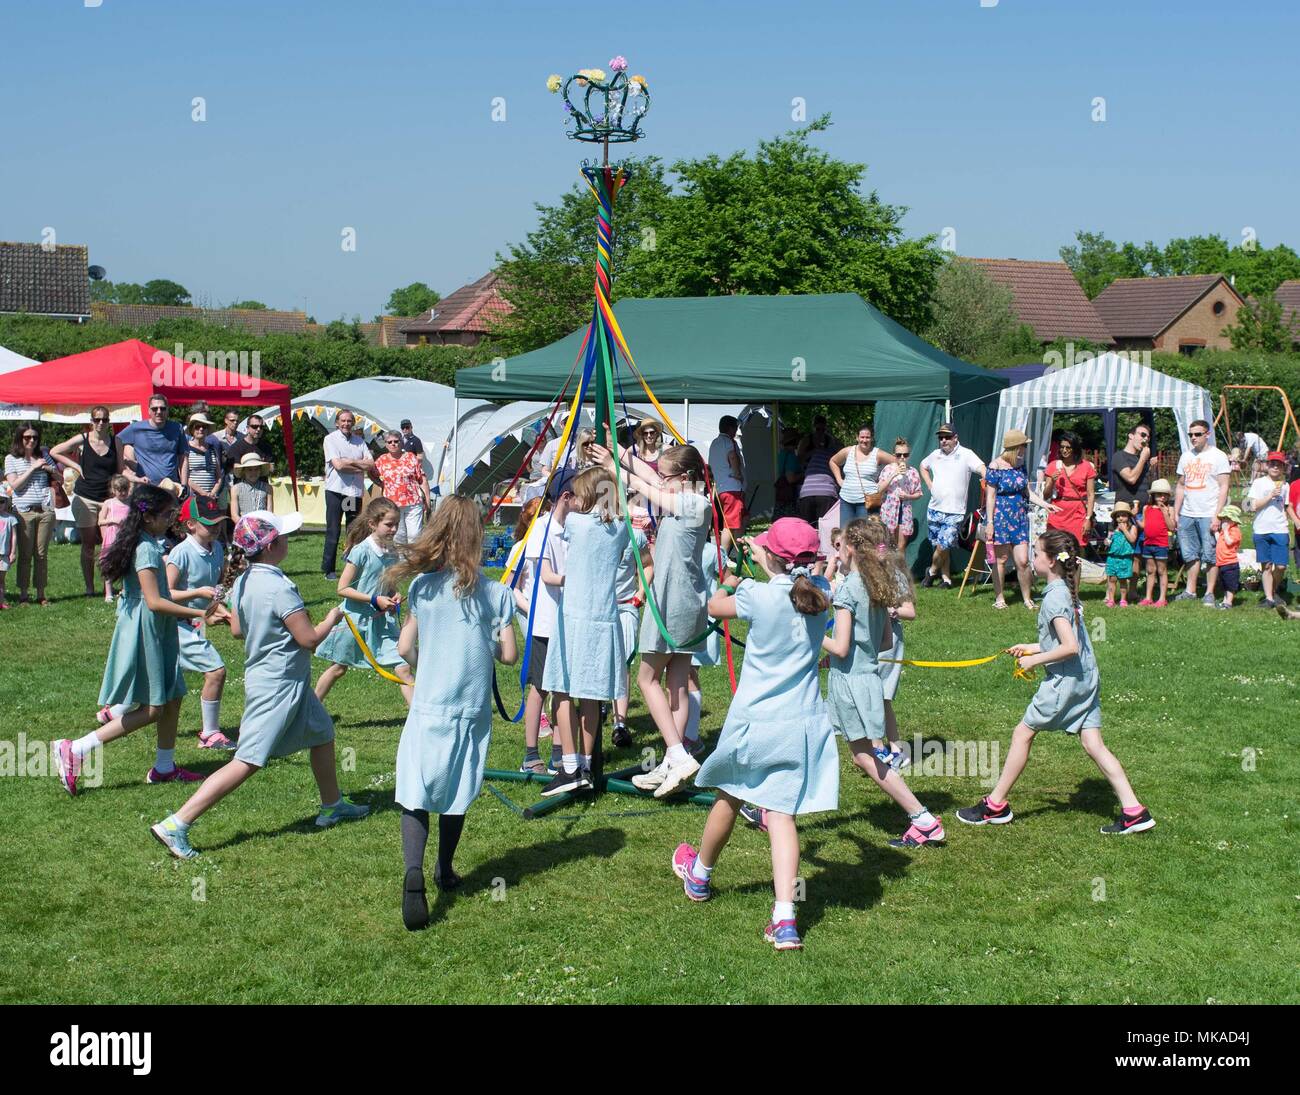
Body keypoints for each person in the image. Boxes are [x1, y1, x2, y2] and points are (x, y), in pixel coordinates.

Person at [149, 511, 370, 859]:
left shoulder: (245, 579)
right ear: (270, 547)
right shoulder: (280, 587)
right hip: (278, 686)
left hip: (282, 680)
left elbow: (238, 630)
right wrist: (332, 617)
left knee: (323, 733)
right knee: (248, 760)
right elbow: (309, 640)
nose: (288, 541)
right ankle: (177, 823)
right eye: (283, 537)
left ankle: (332, 805)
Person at [672, 518, 837, 952]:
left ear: (772, 556)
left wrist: (731, 575)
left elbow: (714, 607)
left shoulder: (756, 595)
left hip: (755, 721)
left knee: (729, 793)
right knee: (781, 816)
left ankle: (700, 875)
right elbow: (805, 580)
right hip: (799, 724)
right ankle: (785, 919)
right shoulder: (822, 594)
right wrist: (766, 563)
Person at [957, 529, 1155, 836]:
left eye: (1036, 553)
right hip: (1085, 679)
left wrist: (1033, 661)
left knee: (1022, 733)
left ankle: (995, 805)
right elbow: (1066, 642)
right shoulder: (1065, 591)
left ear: (1051, 561)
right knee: (1093, 744)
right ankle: (1134, 812)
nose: (1032, 558)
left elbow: (1070, 647)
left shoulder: (1054, 599)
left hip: (1066, 682)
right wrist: (1031, 647)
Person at [390, 496, 518, 929]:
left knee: (416, 789)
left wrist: (421, 665)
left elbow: (404, 648)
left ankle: (413, 869)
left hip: (429, 705)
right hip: (470, 708)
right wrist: (491, 638)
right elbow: (508, 656)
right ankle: (444, 869)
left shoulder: (421, 588)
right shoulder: (496, 593)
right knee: (457, 789)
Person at [52, 485, 228, 796]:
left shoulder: (149, 542)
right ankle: (76, 748)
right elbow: (155, 602)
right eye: (167, 515)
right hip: (147, 629)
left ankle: (164, 768)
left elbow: (160, 597)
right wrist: (202, 613)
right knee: (153, 709)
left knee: (173, 696)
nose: (171, 520)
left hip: (160, 627)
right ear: (148, 517)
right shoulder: (145, 548)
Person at [821, 518, 945, 847]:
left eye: (842, 544)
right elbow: (886, 641)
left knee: (862, 756)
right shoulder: (874, 583)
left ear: (850, 549)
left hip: (850, 684)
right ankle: (773, 807)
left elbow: (841, 647)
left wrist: (812, 633)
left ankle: (923, 819)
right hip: (867, 679)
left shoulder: (848, 588)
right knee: (854, 751)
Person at [605, 443, 711, 800]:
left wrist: (617, 471)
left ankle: (678, 755)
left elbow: (650, 487)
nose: (661, 481)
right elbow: (651, 477)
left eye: (667, 477)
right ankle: (671, 760)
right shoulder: (683, 497)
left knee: (646, 678)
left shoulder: (696, 503)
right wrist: (618, 452)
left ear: (686, 477)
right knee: (676, 685)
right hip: (683, 602)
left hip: (673, 603)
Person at [539, 466, 631, 794]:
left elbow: (561, 520)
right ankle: (587, 764)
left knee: (561, 690)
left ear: (589, 494)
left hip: (574, 616)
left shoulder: (576, 523)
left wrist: (565, 502)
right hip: (603, 618)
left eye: (579, 493)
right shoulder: (621, 528)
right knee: (590, 694)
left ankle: (569, 766)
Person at [314, 497, 416, 705]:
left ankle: (419, 718)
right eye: (389, 524)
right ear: (372, 524)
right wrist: (374, 599)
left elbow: (387, 583)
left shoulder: (392, 552)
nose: (394, 529)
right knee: (338, 668)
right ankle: (310, 708)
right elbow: (342, 588)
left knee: (403, 667)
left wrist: (394, 594)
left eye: (396, 524)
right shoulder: (361, 551)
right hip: (354, 621)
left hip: (380, 622)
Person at [513, 475, 576, 779]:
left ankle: (559, 754)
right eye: (581, 496)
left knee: (563, 687)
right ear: (566, 497)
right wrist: (580, 579)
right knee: (540, 687)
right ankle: (530, 754)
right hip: (545, 621)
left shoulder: (571, 528)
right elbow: (547, 575)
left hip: (568, 619)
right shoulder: (541, 528)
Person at [166, 495, 235, 749]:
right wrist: (197, 593)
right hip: (174, 624)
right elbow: (165, 594)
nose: (216, 527)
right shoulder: (181, 553)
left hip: (194, 623)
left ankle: (114, 712)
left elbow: (214, 592)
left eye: (218, 521)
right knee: (216, 671)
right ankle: (210, 733)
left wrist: (223, 611)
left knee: (164, 680)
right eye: (209, 523)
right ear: (190, 524)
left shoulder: (216, 549)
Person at [51, 405, 121, 597]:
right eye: (97, 419)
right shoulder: (82, 439)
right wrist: (76, 466)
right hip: (85, 498)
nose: (101, 423)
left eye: (104, 419)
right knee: (88, 545)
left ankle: (109, 588)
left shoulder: (116, 441)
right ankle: (90, 588)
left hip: (108, 500)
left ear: (109, 422)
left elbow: (120, 471)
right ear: (91, 421)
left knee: (110, 545)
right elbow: (55, 451)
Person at [984, 429, 1058, 610]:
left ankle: (1027, 598)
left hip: (1019, 518)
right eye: (1023, 445)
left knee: (1023, 560)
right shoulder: (995, 466)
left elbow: (1026, 492)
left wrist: (1044, 504)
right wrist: (990, 523)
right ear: (1015, 447)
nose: (1025, 448)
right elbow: (990, 496)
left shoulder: (1020, 465)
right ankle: (1000, 598)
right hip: (1000, 518)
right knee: (1001, 560)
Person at [918, 423, 985, 589]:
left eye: (947, 437)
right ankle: (946, 578)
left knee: (944, 544)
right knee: (941, 546)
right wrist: (930, 484)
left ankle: (931, 571)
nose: (943, 440)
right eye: (941, 437)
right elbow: (923, 466)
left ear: (955, 438)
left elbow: (982, 468)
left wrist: (988, 479)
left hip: (955, 511)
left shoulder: (966, 454)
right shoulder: (935, 455)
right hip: (934, 509)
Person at [1172, 420, 1230, 602]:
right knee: (1189, 554)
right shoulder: (1186, 456)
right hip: (1187, 513)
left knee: (1210, 554)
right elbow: (1180, 485)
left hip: (1209, 513)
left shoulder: (1218, 456)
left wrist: (1218, 515)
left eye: (1197, 434)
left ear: (1207, 434)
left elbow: (1224, 486)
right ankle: (1190, 591)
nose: (1193, 438)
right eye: (1190, 434)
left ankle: (1209, 592)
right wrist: (1176, 511)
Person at [4, 422, 59, 605]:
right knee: (26, 554)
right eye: (27, 437)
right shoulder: (11, 459)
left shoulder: (43, 455)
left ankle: (41, 594)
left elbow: (60, 477)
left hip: (45, 511)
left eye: (35, 437)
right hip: (23, 512)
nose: (32, 440)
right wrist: (33, 468)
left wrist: (49, 469)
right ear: (20, 438)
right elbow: (15, 485)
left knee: (41, 554)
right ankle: (24, 594)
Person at [321, 409, 375, 580]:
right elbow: (339, 466)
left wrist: (350, 461)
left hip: (352, 493)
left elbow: (370, 464)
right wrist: (359, 466)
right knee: (333, 530)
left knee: (352, 531)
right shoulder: (330, 439)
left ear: (353, 423)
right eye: (343, 421)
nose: (346, 424)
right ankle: (328, 569)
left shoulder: (359, 441)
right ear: (337, 423)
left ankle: (351, 566)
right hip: (336, 491)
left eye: (349, 421)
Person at [1244, 451, 1290, 607]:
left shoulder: (1285, 485)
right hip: (1261, 528)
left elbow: (1284, 507)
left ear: (1283, 468)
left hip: (1280, 528)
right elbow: (1252, 506)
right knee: (1267, 565)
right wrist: (1270, 496)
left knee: (1281, 566)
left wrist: (1287, 525)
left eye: (1279, 465)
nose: (1275, 467)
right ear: (1267, 466)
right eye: (1272, 464)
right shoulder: (1259, 483)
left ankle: (1272, 590)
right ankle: (1269, 598)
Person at [829, 425, 895, 527]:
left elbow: (896, 462)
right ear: (857, 437)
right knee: (845, 532)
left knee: (865, 533)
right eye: (862, 437)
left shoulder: (877, 454)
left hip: (867, 502)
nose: (864, 440)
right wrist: (839, 479)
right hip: (846, 500)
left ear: (872, 438)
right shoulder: (848, 451)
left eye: (867, 437)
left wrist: (885, 481)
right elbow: (833, 461)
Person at [119, 395, 188, 489]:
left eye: (162, 408)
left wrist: (184, 485)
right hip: (146, 488)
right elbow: (116, 440)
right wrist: (122, 462)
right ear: (149, 410)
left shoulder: (177, 428)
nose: (159, 412)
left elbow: (183, 458)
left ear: (167, 410)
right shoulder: (135, 428)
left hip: (171, 488)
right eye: (154, 409)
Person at [375, 430, 431, 545]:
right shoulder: (381, 460)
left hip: (413, 503)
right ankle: (400, 557)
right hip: (392, 505)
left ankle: (414, 557)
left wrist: (427, 500)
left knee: (415, 535)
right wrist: (381, 483)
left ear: (401, 442)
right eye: (389, 442)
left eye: (396, 441)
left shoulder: (411, 457)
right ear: (386, 444)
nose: (393, 444)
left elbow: (422, 479)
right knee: (398, 537)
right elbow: (371, 473)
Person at [1041, 430, 1096, 548]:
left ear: (1075, 448)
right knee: (1055, 547)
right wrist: (1052, 482)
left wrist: (1088, 518)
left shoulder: (1086, 466)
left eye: (1068, 447)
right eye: (1062, 447)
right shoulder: (1053, 465)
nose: (1064, 450)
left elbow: (1091, 495)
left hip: (1078, 513)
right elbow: (1046, 495)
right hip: (1058, 512)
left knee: (1076, 548)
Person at [877, 436, 923, 552]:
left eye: (905, 455)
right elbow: (879, 489)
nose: (902, 458)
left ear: (909, 455)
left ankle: (900, 564)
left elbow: (919, 493)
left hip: (905, 510)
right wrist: (894, 474)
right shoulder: (887, 469)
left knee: (901, 545)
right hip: (889, 509)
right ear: (894, 455)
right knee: (888, 544)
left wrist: (908, 496)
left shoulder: (913, 472)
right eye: (899, 455)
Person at [708, 415, 747, 551]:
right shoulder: (729, 441)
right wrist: (737, 473)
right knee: (730, 524)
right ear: (731, 428)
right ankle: (723, 556)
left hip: (721, 487)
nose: (736, 431)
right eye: (735, 428)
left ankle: (737, 551)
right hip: (732, 488)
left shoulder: (714, 443)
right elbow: (732, 456)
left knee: (742, 519)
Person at [796, 416, 840, 526]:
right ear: (813, 427)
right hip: (811, 487)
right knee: (810, 525)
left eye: (823, 430)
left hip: (820, 490)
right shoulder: (807, 440)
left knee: (820, 526)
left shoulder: (830, 441)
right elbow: (799, 458)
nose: (820, 433)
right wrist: (813, 453)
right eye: (818, 429)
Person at [1138, 478, 1174, 606]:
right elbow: (1143, 525)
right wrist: (1134, 517)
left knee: (1161, 570)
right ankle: (1148, 597)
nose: (1162, 497)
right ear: (1153, 495)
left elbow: (1171, 527)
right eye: (1159, 494)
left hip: (1161, 544)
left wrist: (1165, 513)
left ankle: (1162, 598)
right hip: (1148, 543)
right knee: (1150, 570)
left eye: (1165, 495)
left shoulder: (1169, 509)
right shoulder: (1146, 508)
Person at [628, 418, 666, 534]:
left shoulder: (664, 449)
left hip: (657, 497)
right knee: (639, 533)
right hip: (640, 497)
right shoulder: (635, 450)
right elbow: (621, 457)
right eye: (645, 433)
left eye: (652, 432)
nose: (649, 436)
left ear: (657, 433)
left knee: (656, 532)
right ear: (642, 435)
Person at [183, 412, 223, 518]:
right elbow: (185, 476)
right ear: (192, 429)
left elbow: (218, 476)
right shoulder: (186, 449)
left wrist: (212, 493)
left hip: (211, 497)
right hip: (194, 496)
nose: (201, 429)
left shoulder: (212, 449)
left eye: (204, 427)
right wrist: (203, 493)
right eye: (197, 426)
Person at [97, 475, 131, 601]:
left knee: (125, 563)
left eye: (125, 490)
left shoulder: (130, 503)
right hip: (112, 537)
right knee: (109, 564)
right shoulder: (109, 503)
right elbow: (100, 521)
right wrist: (112, 520)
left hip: (125, 537)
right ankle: (108, 593)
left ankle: (124, 589)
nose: (123, 493)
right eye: (119, 490)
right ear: (113, 490)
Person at [1110, 423, 1156, 511]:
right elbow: (1131, 479)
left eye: (1148, 437)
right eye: (1143, 435)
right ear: (1131, 436)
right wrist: (1143, 458)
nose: (1146, 439)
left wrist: (1152, 468)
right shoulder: (1119, 456)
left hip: (1144, 511)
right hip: (1126, 512)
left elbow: (1148, 485)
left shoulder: (1142, 460)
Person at [1206, 504, 1242, 610]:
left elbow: (1229, 542)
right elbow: (1220, 541)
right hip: (1222, 562)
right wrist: (1216, 532)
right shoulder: (1224, 531)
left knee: (1230, 584)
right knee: (1225, 584)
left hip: (1230, 563)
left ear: (1233, 520)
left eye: (1227, 519)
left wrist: (1225, 531)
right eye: (1223, 519)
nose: (1224, 521)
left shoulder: (1235, 531)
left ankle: (1229, 603)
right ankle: (1225, 601)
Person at [1104, 502, 1139, 607]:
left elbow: (1132, 539)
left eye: (1123, 515)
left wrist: (1124, 530)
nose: (1120, 518)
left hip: (1125, 558)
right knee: (1112, 579)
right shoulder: (1113, 529)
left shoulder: (1132, 527)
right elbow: (1108, 541)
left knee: (1123, 580)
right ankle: (1111, 599)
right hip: (1112, 557)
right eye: (1118, 516)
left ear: (1128, 516)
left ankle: (1123, 599)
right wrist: (1106, 542)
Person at [230, 452, 274, 521]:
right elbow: (234, 515)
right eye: (249, 469)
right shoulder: (235, 489)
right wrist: (245, 525)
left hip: (263, 524)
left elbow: (270, 513)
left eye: (256, 469)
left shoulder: (267, 488)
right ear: (244, 471)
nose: (253, 472)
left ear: (260, 470)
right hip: (244, 525)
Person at [772, 426, 803, 520]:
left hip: (781, 492)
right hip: (790, 494)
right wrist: (803, 474)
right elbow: (790, 478)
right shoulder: (791, 457)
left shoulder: (781, 454)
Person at [0, 483, 17, 609]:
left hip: (4, 555)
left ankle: (1, 602)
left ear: (6, 502)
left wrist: (13, 552)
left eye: (1, 501)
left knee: (1, 580)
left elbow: (14, 536)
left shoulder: (11, 519)